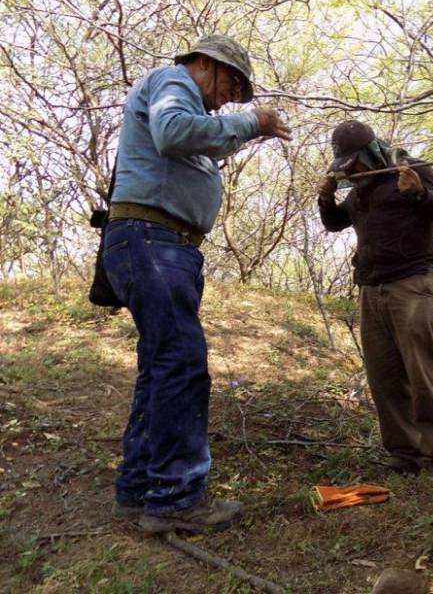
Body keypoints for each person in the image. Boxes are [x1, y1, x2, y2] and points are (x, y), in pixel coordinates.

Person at [102, 34, 292, 533]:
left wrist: (246, 130)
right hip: (153, 239)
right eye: (231, 82)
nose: (231, 95)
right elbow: (171, 130)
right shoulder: (173, 82)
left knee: (162, 367)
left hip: (161, 244)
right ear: (204, 65)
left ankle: (138, 488)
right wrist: (254, 121)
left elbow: (198, 140)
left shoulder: (193, 102)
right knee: (182, 365)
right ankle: (176, 497)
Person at [317, 120, 433, 481]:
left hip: (413, 285)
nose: (352, 172)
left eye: (355, 164)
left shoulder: (409, 169)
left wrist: (418, 194)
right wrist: (325, 199)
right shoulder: (359, 189)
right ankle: (403, 454)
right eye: (345, 167)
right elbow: (337, 223)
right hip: (371, 289)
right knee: (384, 376)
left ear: (371, 153)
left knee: (424, 374)